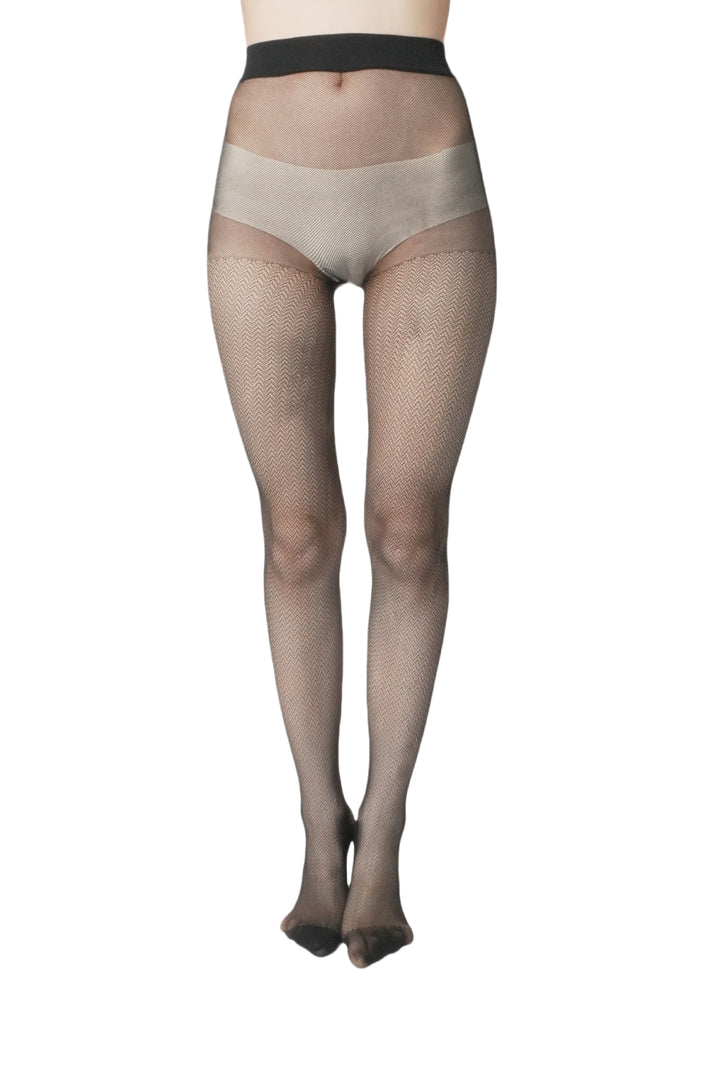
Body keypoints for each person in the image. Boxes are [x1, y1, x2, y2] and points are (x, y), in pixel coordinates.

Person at [206, 0, 497, 968]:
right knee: (295, 536)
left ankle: (384, 829)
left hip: (425, 179)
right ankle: (317, 819)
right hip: (266, 186)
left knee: (408, 530)